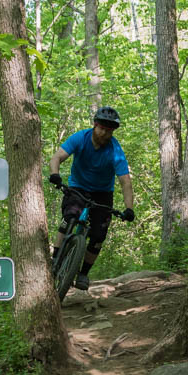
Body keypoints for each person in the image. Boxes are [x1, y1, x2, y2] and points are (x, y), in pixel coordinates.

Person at [47, 106, 135, 290]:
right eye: (102, 128)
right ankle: (54, 258)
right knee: (70, 216)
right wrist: (55, 174)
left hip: (103, 193)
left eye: (109, 131)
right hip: (78, 186)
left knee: (98, 235)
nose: (104, 133)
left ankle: (83, 274)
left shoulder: (115, 151)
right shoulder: (81, 138)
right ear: (95, 125)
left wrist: (129, 208)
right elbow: (57, 157)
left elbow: (125, 181)